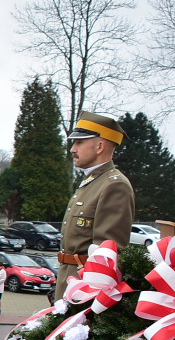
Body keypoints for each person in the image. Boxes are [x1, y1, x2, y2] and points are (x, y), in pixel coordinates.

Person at [57, 111, 135, 296]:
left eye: (79, 142)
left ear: (100, 146)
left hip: (86, 290)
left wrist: (86, 296)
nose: (73, 149)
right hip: (69, 282)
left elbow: (106, 256)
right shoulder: (93, 182)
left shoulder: (114, 185)